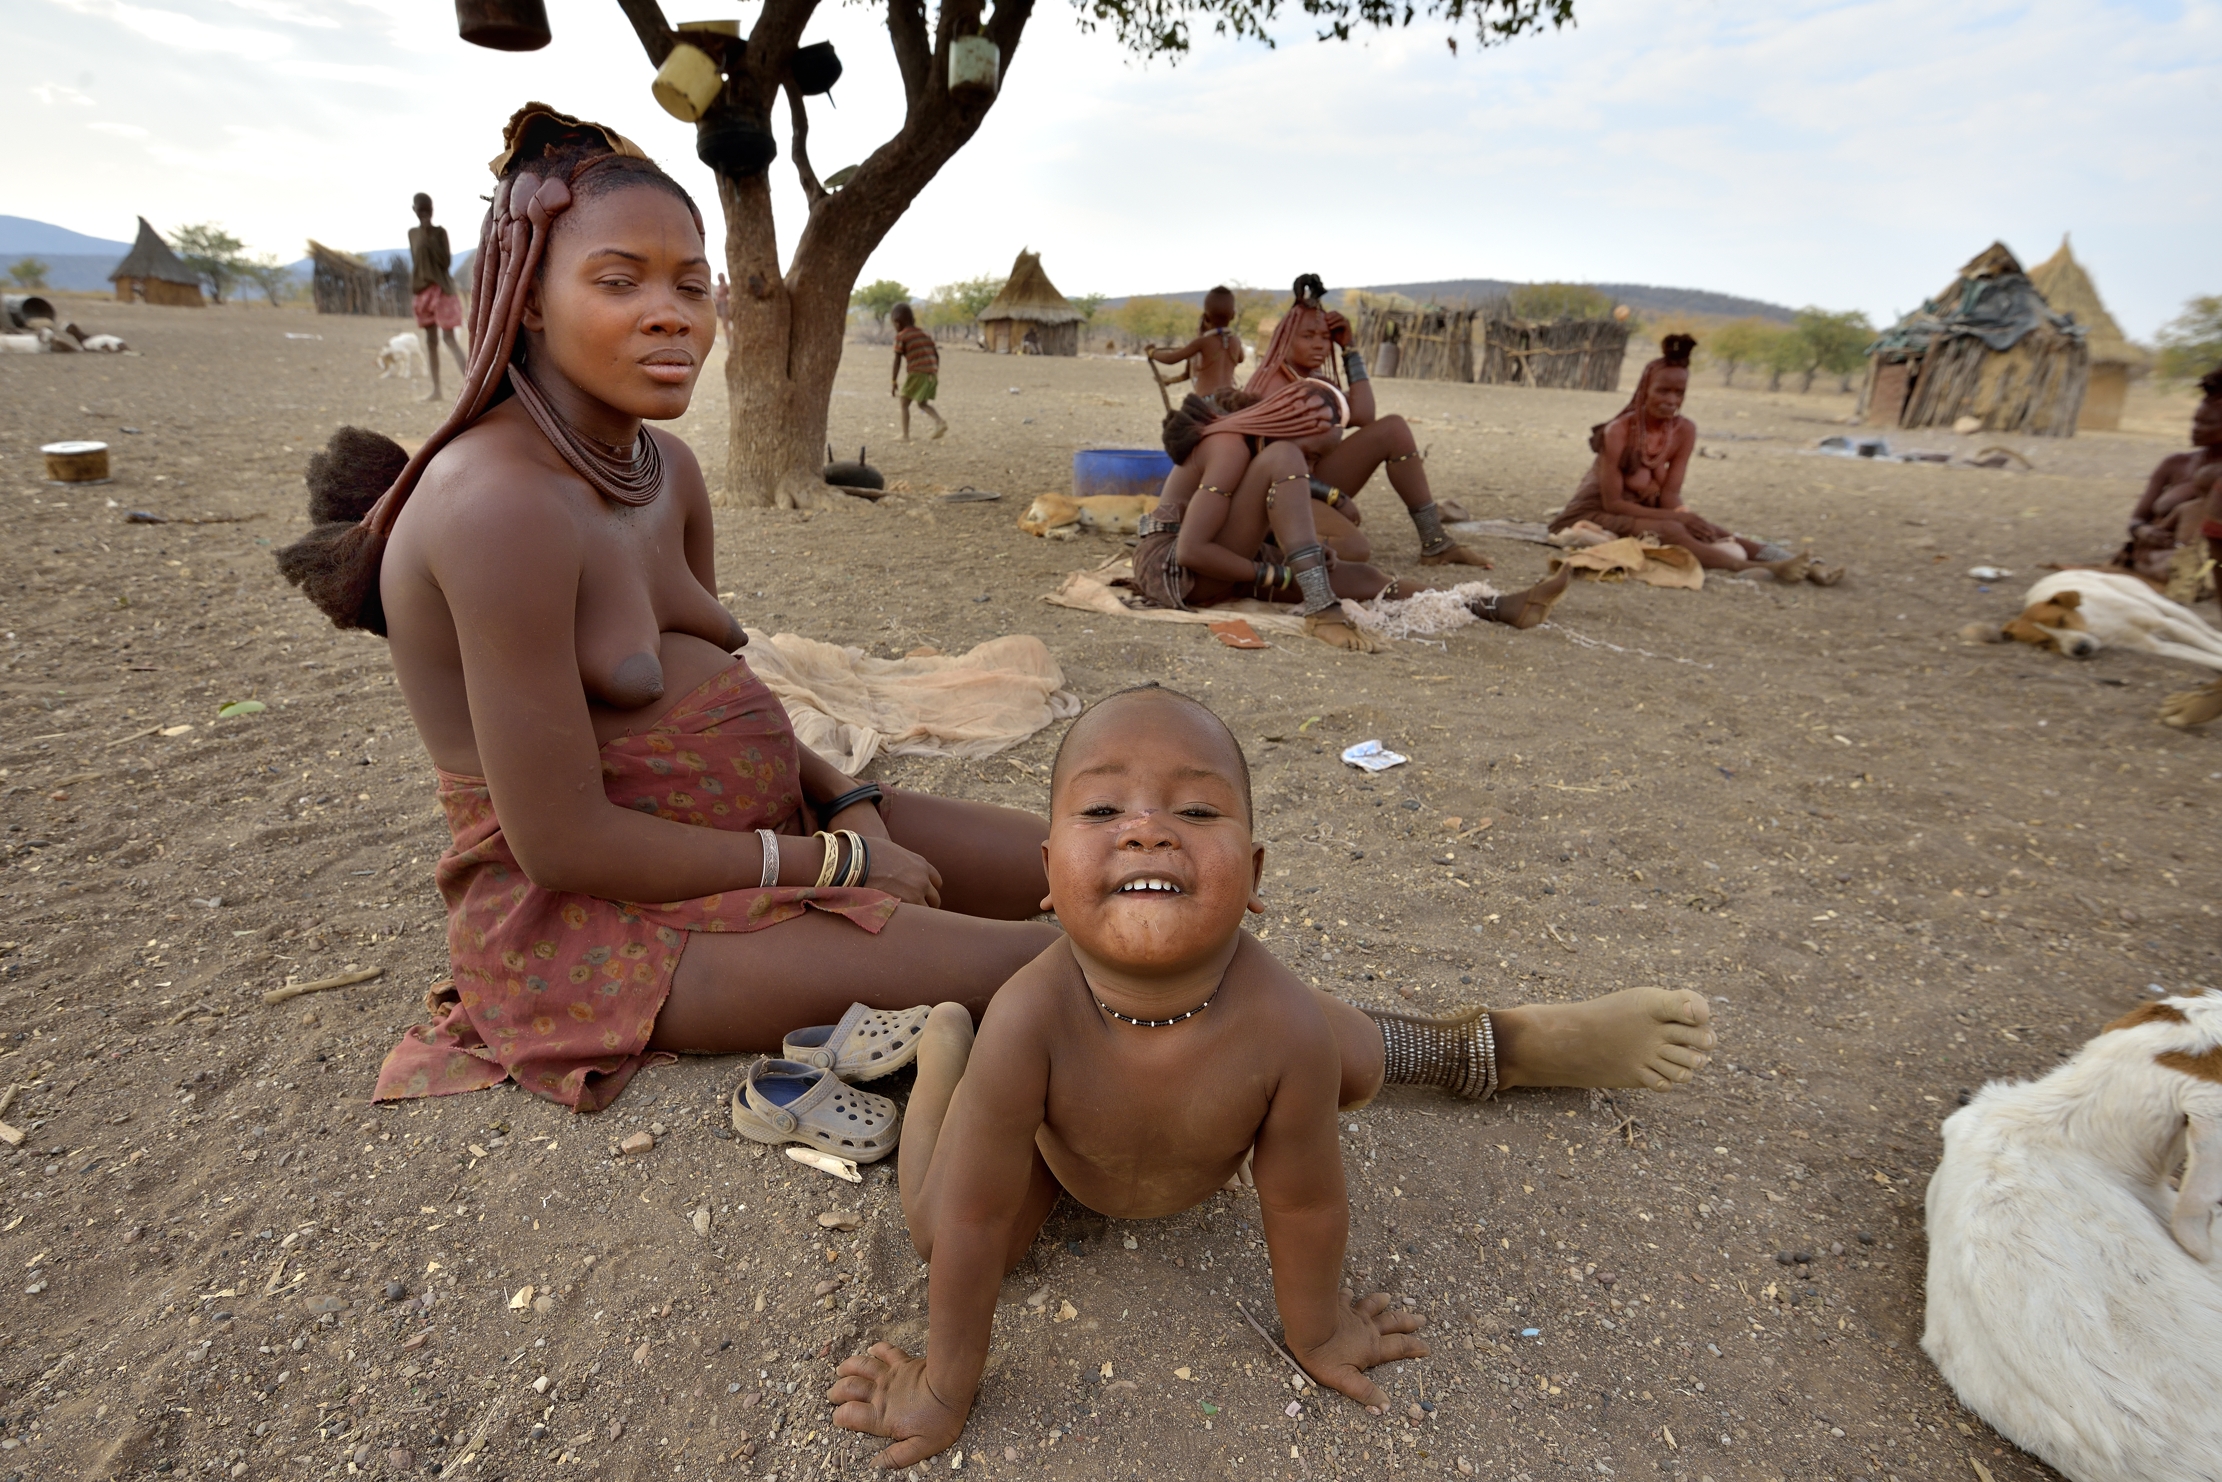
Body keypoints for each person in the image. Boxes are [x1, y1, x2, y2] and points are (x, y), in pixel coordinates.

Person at [275, 104, 1057, 1112]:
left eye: (692, 284)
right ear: (527, 301)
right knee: (1057, 970)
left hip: (774, 824)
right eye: (618, 281)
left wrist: (844, 798)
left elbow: (720, 685)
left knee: (1088, 874)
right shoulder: (497, 508)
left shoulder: (666, 469)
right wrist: (839, 861)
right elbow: (563, 841)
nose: (670, 312)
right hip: (599, 912)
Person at [826, 686, 1718, 1467]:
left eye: (1199, 814)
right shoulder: (1028, 1016)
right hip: (1045, 1153)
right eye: (1102, 814)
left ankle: (1493, 1047)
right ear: (1049, 877)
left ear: (1253, 876)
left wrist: (1320, 1331)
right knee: (945, 1235)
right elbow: (980, 1215)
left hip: (1256, 1022)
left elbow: (1301, 1203)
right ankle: (946, 1045)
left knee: (1338, 1050)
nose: (1147, 827)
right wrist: (944, 1389)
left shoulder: (1282, 1023)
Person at [1131, 382, 1571, 651]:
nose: (1310, 467)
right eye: (1311, 454)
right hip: (1174, 572)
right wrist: (1282, 577)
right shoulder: (1229, 446)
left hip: (1216, 562)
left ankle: (1492, 605)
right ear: (1286, 427)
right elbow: (1190, 552)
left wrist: (1300, 561)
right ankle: (1321, 610)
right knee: (1311, 569)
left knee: (1365, 578)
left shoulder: (1256, 449)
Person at [1245, 274, 1492, 570]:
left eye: (1326, 337)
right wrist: (1334, 497)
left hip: (1309, 480)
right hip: (1277, 493)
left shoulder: (1316, 379)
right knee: (1353, 549)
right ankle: (1258, 552)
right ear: (1283, 339)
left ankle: (1435, 542)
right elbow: (1273, 467)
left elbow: (1364, 415)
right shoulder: (1273, 385)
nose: (1319, 345)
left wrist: (1349, 349)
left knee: (1393, 429)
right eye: (1307, 337)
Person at [1549, 335, 1837, 583]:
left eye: (1679, 393)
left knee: (1713, 530)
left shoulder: (1684, 430)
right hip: (1595, 513)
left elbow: (1670, 494)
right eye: (1663, 390)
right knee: (1672, 528)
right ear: (1643, 391)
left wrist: (1690, 519)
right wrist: (1680, 519)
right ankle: (1755, 567)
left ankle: (1810, 567)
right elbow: (1614, 503)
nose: (1672, 400)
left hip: (1642, 513)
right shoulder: (1619, 431)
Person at [2117, 367, 2222, 592]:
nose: (2195, 430)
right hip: (2156, 552)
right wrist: (2144, 531)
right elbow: (2137, 519)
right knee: (2166, 567)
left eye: (2207, 424)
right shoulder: (2176, 463)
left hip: (2202, 557)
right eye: (2195, 421)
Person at [408, 192, 469, 402]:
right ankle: (436, 390)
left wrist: (429, 236)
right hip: (423, 291)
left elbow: (445, 262)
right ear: (414, 210)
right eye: (420, 210)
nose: (424, 214)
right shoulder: (412, 234)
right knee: (430, 340)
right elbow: (417, 262)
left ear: (432, 211)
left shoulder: (439, 233)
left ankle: (472, 386)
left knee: (449, 338)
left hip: (442, 290)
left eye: (427, 210)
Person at [1146, 284, 1245, 397]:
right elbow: (1240, 359)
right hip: (1230, 400)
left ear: (1206, 317)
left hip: (1208, 401)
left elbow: (1171, 358)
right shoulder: (1236, 341)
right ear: (1233, 315)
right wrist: (1170, 380)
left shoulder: (1202, 342)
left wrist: (1152, 352)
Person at [889, 303, 947, 442]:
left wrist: (894, 381)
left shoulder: (902, 336)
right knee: (922, 403)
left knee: (904, 402)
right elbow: (936, 355)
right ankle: (939, 422)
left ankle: (905, 435)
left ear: (898, 321)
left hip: (917, 372)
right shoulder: (924, 334)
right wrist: (933, 372)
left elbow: (897, 361)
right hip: (931, 373)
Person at [713, 271, 732, 338]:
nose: (719, 279)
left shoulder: (725, 286)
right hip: (719, 307)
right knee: (724, 325)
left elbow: (730, 294)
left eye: (720, 277)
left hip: (724, 306)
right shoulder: (719, 287)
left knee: (726, 324)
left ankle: (730, 341)